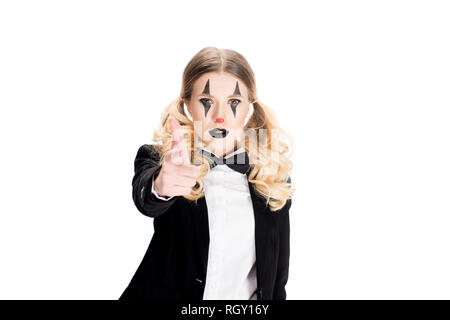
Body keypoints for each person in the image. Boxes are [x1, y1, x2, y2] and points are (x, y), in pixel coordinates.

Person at [119, 47, 295, 300]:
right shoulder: (161, 159)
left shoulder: (271, 176)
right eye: (206, 101)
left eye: (234, 102)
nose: (219, 117)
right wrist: (162, 186)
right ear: (188, 105)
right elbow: (146, 199)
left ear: (249, 109)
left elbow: (277, 278)